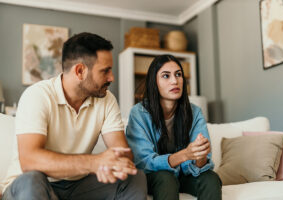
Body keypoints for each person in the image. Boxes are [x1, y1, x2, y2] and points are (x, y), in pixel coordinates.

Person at [2, 32, 147, 200]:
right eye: (105, 71)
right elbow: (30, 161)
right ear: (79, 71)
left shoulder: (106, 100)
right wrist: (94, 163)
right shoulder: (37, 95)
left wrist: (116, 163)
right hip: (31, 185)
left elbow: (121, 153)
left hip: (77, 187)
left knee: (134, 178)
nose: (111, 78)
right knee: (32, 180)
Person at [126, 54, 222, 200]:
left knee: (211, 178)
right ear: (154, 81)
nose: (174, 81)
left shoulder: (194, 112)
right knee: (166, 178)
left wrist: (200, 156)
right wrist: (185, 154)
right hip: (154, 177)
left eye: (178, 74)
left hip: (185, 175)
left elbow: (201, 165)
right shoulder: (139, 113)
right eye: (166, 76)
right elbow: (143, 162)